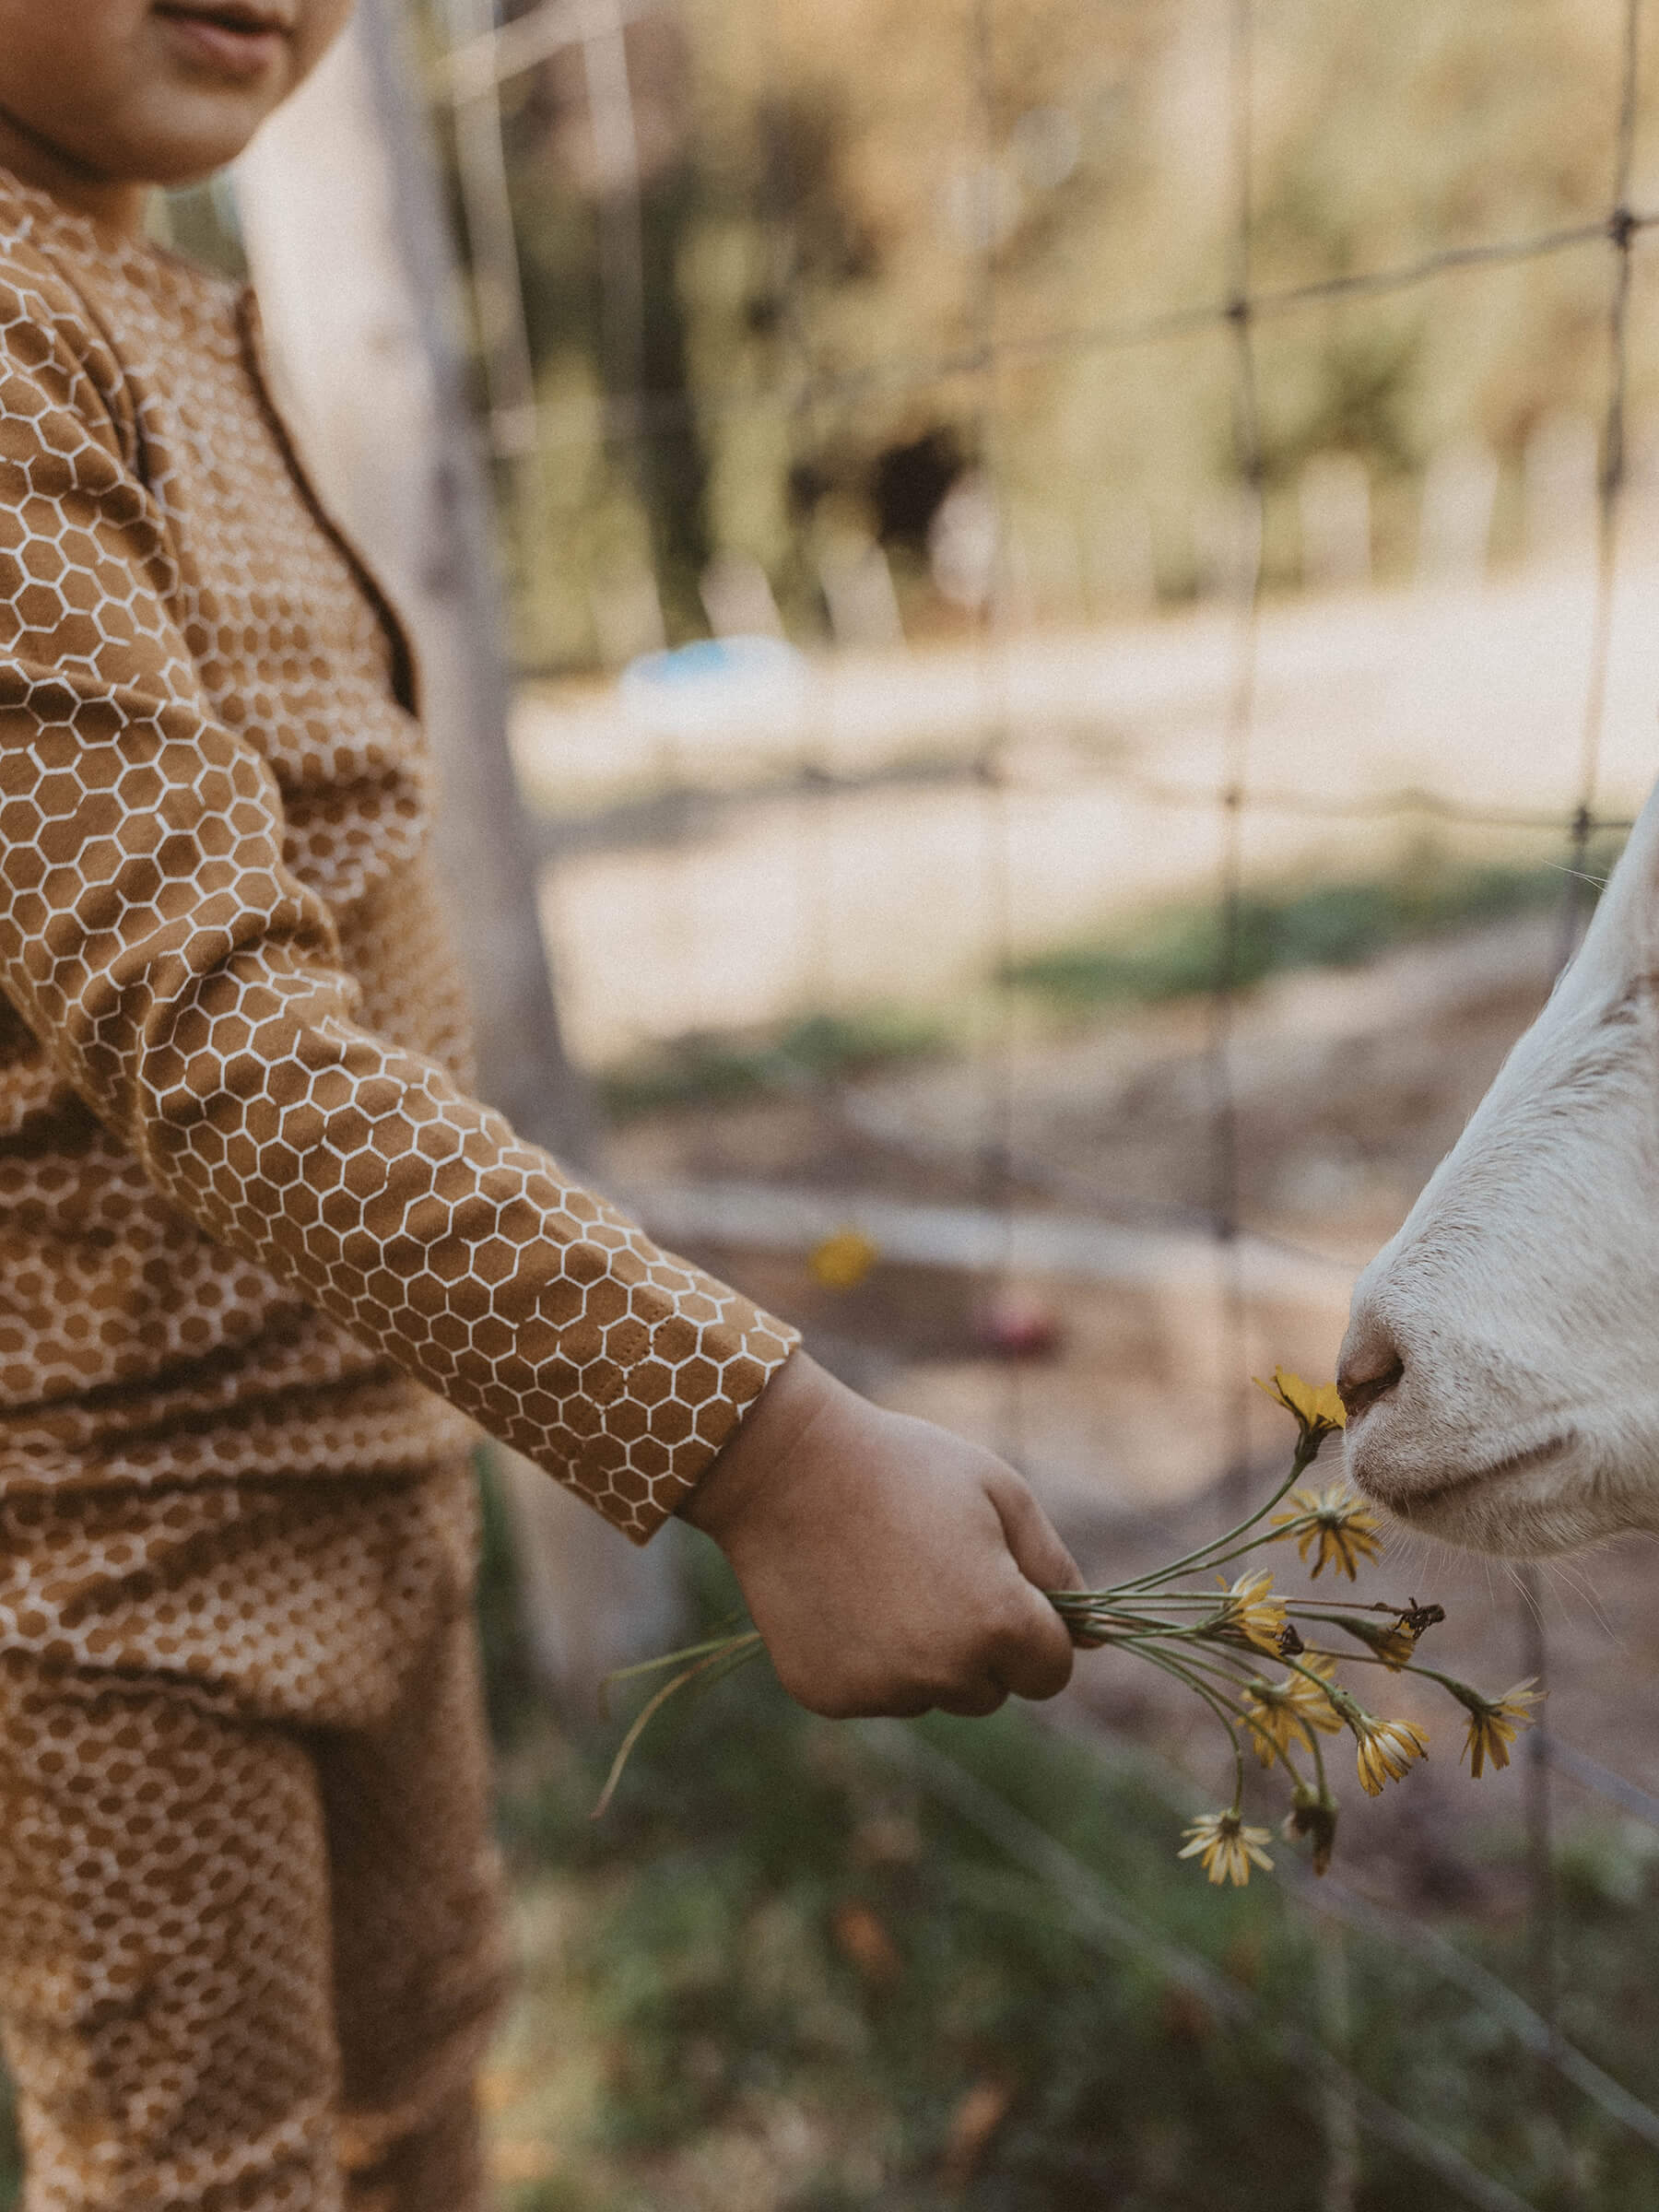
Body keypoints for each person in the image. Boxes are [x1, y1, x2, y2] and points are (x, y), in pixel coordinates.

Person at [0, 4, 1086, 2206]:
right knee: (212, 2177)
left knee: (426, 2086)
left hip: (379, 1491)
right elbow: (212, 1036)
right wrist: (763, 1450)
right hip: (107, 1588)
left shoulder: (146, 299)